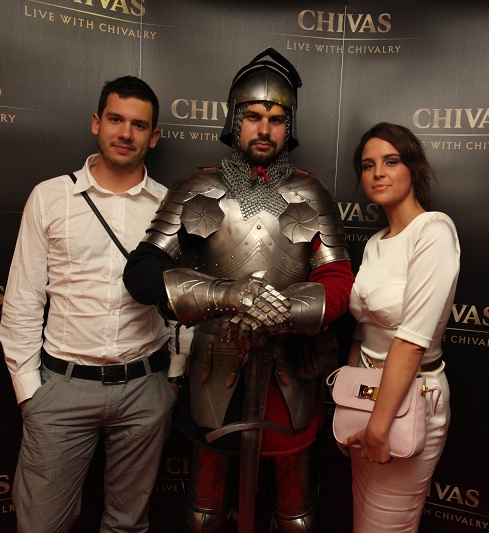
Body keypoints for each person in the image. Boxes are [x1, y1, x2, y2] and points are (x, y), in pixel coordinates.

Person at [123, 48, 354, 532]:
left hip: (290, 367)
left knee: (296, 516)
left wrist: (280, 309)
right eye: (253, 116)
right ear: (234, 119)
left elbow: (337, 280)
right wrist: (228, 294)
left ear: (289, 126)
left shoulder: (310, 193)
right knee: (204, 512)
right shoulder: (197, 188)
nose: (264, 129)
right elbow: (143, 271)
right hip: (215, 363)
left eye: (276, 119)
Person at [0, 76, 176, 533]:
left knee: (127, 525)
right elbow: (22, 299)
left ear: (154, 136)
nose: (125, 133)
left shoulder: (170, 206)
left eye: (139, 125)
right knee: (41, 525)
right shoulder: (50, 197)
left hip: (145, 387)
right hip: (62, 387)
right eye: (116, 119)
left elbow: (183, 299)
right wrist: (30, 392)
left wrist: (173, 377)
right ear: (97, 123)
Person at [344, 122, 460, 532]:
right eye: (368, 165)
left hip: (410, 403)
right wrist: (350, 407)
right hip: (367, 400)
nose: (378, 172)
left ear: (414, 169)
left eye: (391, 161)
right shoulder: (376, 243)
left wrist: (378, 426)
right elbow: (362, 332)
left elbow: (411, 342)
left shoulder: (434, 231)